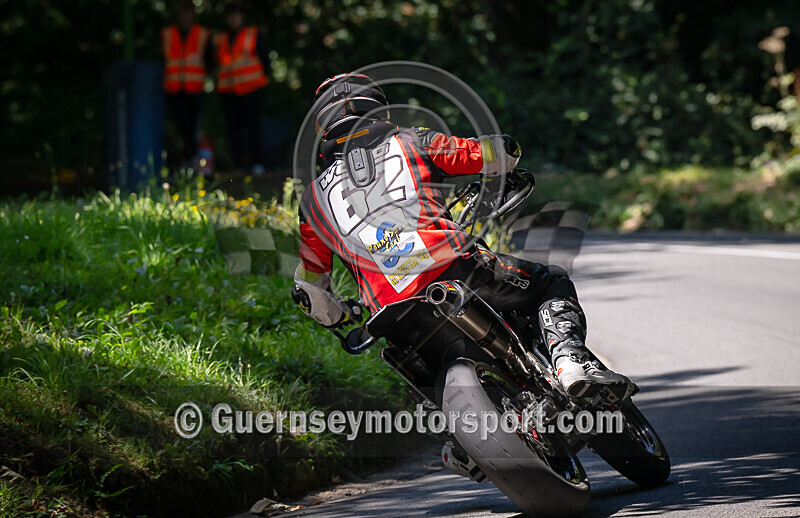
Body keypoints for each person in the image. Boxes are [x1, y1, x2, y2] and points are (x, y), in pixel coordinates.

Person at [292, 73, 634, 401]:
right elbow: (490, 154)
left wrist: (340, 315)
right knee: (550, 283)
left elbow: (309, 287)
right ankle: (570, 360)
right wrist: (506, 150)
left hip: (388, 311)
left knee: (421, 382)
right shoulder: (412, 141)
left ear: (322, 126)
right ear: (378, 108)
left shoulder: (312, 202)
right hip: (454, 267)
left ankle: (457, 430)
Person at [214, 1, 269, 174]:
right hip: (229, 91)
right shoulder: (221, 39)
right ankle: (238, 165)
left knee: (253, 127)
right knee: (233, 129)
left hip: (252, 89)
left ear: (242, 16)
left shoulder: (253, 34)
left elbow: (265, 60)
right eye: (230, 15)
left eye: (236, 15)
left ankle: (258, 163)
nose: (233, 19)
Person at [161, 0, 212, 167]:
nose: (186, 16)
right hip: (174, 89)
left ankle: (194, 161)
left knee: (193, 128)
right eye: (183, 12)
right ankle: (183, 161)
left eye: (189, 12)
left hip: (194, 89)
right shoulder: (168, 34)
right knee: (179, 128)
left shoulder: (202, 33)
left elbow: (210, 61)